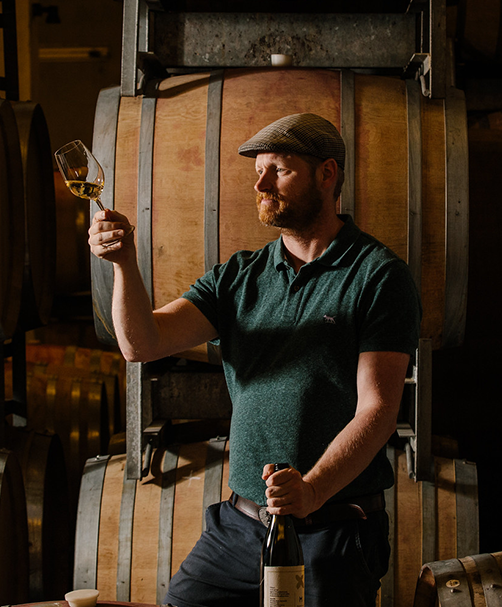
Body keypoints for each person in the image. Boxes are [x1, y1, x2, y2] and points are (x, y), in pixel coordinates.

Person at [88, 112, 421, 607]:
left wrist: (311, 489)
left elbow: (377, 410)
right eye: (257, 170)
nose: (261, 183)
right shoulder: (240, 276)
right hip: (240, 527)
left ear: (327, 175)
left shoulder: (378, 277)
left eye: (278, 170)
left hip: (331, 527)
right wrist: (123, 265)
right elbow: (143, 343)